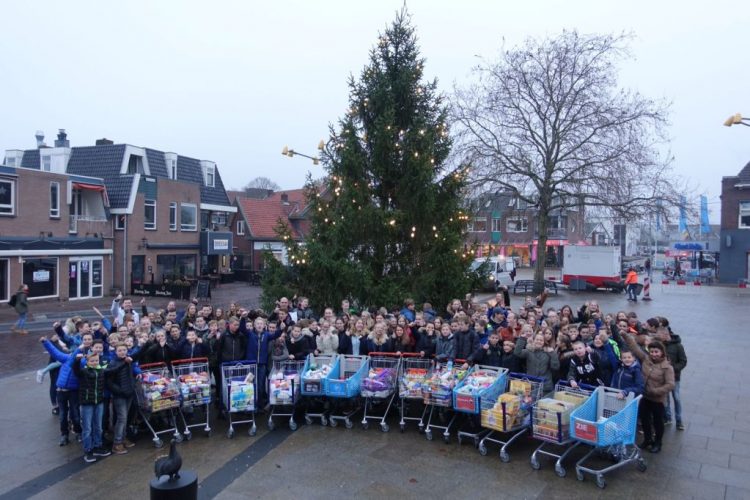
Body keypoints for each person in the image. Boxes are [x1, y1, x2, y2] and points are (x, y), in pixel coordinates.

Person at [624, 331, 675, 453]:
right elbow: (635, 348)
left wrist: (655, 391)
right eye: (652, 351)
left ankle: (658, 442)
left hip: (657, 399)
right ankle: (647, 439)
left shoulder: (667, 367)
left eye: (656, 352)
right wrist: (625, 335)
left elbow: (670, 384)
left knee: (658, 422)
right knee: (645, 420)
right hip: (644, 397)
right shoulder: (646, 359)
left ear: (662, 352)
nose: (653, 354)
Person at [72, 351, 111, 462]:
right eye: (92, 361)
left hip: (99, 402)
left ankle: (98, 446)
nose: (94, 363)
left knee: (98, 426)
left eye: (96, 360)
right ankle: (88, 449)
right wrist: (77, 360)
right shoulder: (84, 371)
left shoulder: (101, 371)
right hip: (87, 403)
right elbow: (75, 370)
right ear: (88, 362)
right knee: (87, 428)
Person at [105, 343, 137, 454]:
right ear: (116, 352)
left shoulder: (128, 361)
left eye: (124, 350)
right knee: (121, 418)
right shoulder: (113, 363)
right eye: (120, 350)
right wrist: (119, 391)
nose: (122, 352)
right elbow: (109, 381)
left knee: (125, 417)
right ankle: (117, 443)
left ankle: (123, 438)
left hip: (128, 392)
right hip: (120, 395)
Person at [656, 324, 687, 430]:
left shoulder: (678, 346)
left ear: (666, 334)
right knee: (666, 398)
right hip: (663, 377)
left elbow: (683, 361)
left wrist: (673, 369)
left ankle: (679, 421)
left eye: (660, 335)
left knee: (676, 398)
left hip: (675, 377)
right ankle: (668, 418)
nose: (658, 337)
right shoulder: (660, 345)